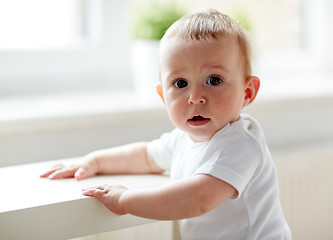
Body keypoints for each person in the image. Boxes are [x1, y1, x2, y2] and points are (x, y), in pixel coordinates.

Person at [41, 9, 291, 240]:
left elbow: (197, 199)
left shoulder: (240, 143)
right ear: (163, 96)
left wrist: (124, 199)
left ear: (247, 92)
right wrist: (94, 162)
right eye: (181, 84)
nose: (195, 97)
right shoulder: (184, 139)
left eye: (214, 80)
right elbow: (144, 156)